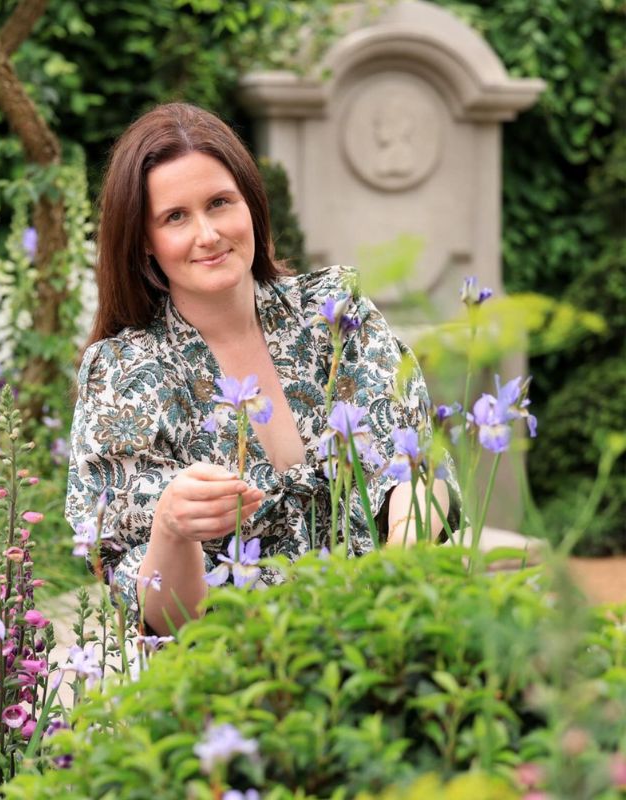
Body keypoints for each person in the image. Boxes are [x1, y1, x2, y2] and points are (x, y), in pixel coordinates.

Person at [65, 103, 461, 636]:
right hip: (241, 685)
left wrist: (397, 581)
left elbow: (417, 464)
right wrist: (171, 528)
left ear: (250, 205)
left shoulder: (334, 314)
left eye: (219, 203)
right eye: (175, 217)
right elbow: (167, 618)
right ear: (143, 241)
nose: (207, 234)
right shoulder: (126, 374)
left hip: (385, 640)